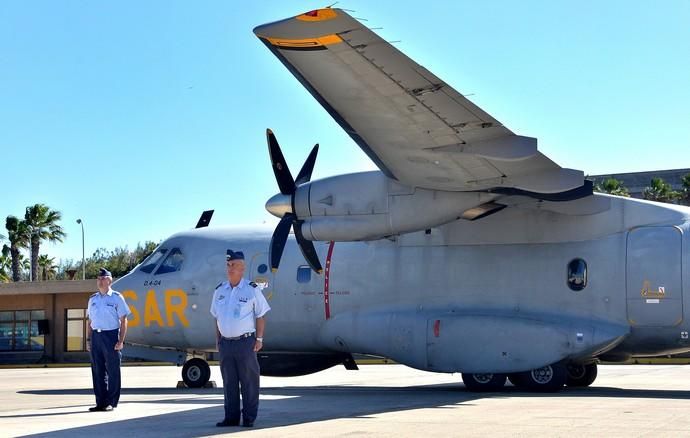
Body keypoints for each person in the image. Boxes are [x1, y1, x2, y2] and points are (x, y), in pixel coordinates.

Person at [211, 249, 271, 428]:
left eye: (234, 265)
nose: (230, 268)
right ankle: (231, 418)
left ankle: (249, 418)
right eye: (228, 265)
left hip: (245, 342)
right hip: (226, 344)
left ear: (242, 268)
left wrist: (259, 339)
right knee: (229, 382)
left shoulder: (251, 290)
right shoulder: (220, 290)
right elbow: (216, 317)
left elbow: (261, 315)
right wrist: (218, 340)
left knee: (248, 382)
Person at [86, 268, 131, 412]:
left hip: (111, 336)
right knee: (97, 371)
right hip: (96, 337)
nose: (99, 281)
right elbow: (89, 321)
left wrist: (121, 340)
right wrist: (88, 340)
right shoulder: (93, 299)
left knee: (113, 371)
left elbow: (124, 320)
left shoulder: (116, 297)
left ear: (109, 280)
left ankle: (111, 402)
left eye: (103, 278)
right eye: (98, 279)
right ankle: (100, 402)